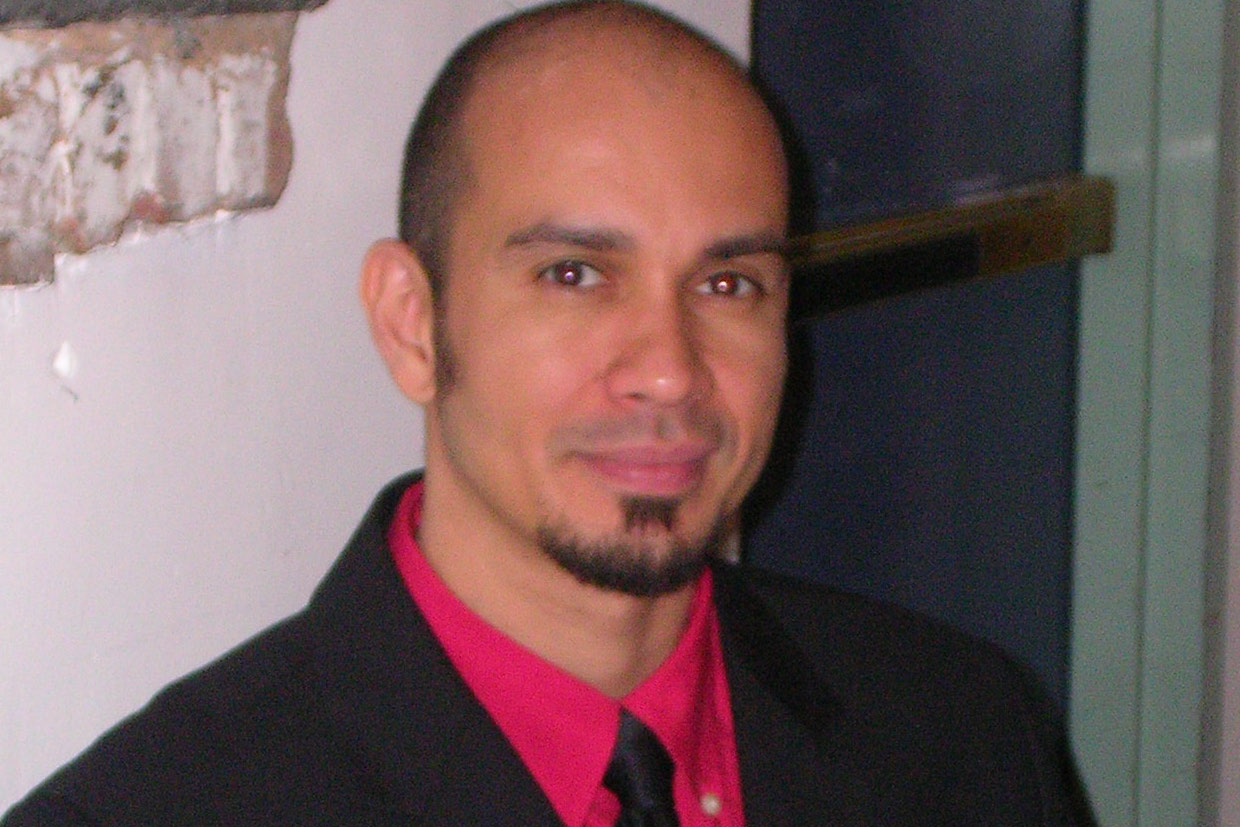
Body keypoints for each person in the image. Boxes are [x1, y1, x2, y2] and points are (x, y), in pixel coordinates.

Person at [3, 1, 1082, 824]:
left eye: (728, 284)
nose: (670, 372)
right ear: (413, 324)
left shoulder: (963, 733)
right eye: (575, 275)